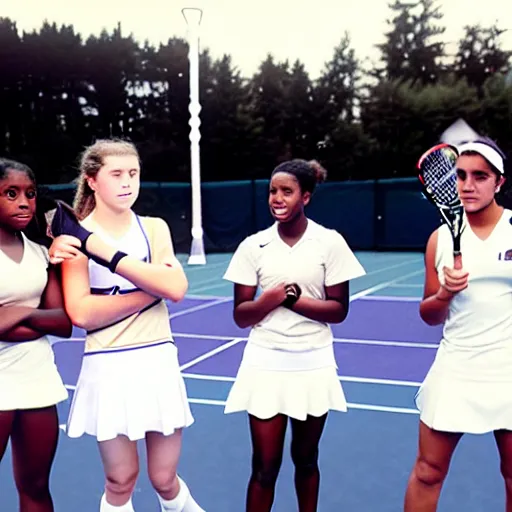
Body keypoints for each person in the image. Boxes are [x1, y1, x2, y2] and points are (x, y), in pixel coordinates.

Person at [47, 139, 204, 512]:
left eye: (133, 173)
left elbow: (177, 288)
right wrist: (151, 292)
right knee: (121, 480)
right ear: (93, 180)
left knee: (164, 479)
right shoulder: (72, 238)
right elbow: (82, 313)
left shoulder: (154, 229)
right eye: (116, 174)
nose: (127, 182)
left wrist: (102, 250)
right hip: (108, 365)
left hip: (157, 362)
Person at [222, 158, 366, 512]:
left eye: (287, 191)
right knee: (264, 467)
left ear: (306, 197)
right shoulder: (252, 246)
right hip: (264, 363)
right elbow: (241, 315)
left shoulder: (329, 243)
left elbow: (338, 310)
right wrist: (270, 299)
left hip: (313, 363)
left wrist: (292, 301)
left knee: (306, 459)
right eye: (273, 191)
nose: (277, 198)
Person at [404, 138, 512, 511]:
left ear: (499, 182)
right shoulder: (438, 240)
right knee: (428, 472)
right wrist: (446, 293)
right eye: (461, 175)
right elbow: (430, 314)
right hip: (456, 368)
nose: (467, 184)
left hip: (508, 369)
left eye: (480, 176)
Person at [0, 158, 72, 512]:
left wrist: (20, 312)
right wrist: (34, 318)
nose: (24, 202)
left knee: (36, 487)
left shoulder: (42, 255)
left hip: (38, 378)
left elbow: (63, 323)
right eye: (10, 194)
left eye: (29, 194)